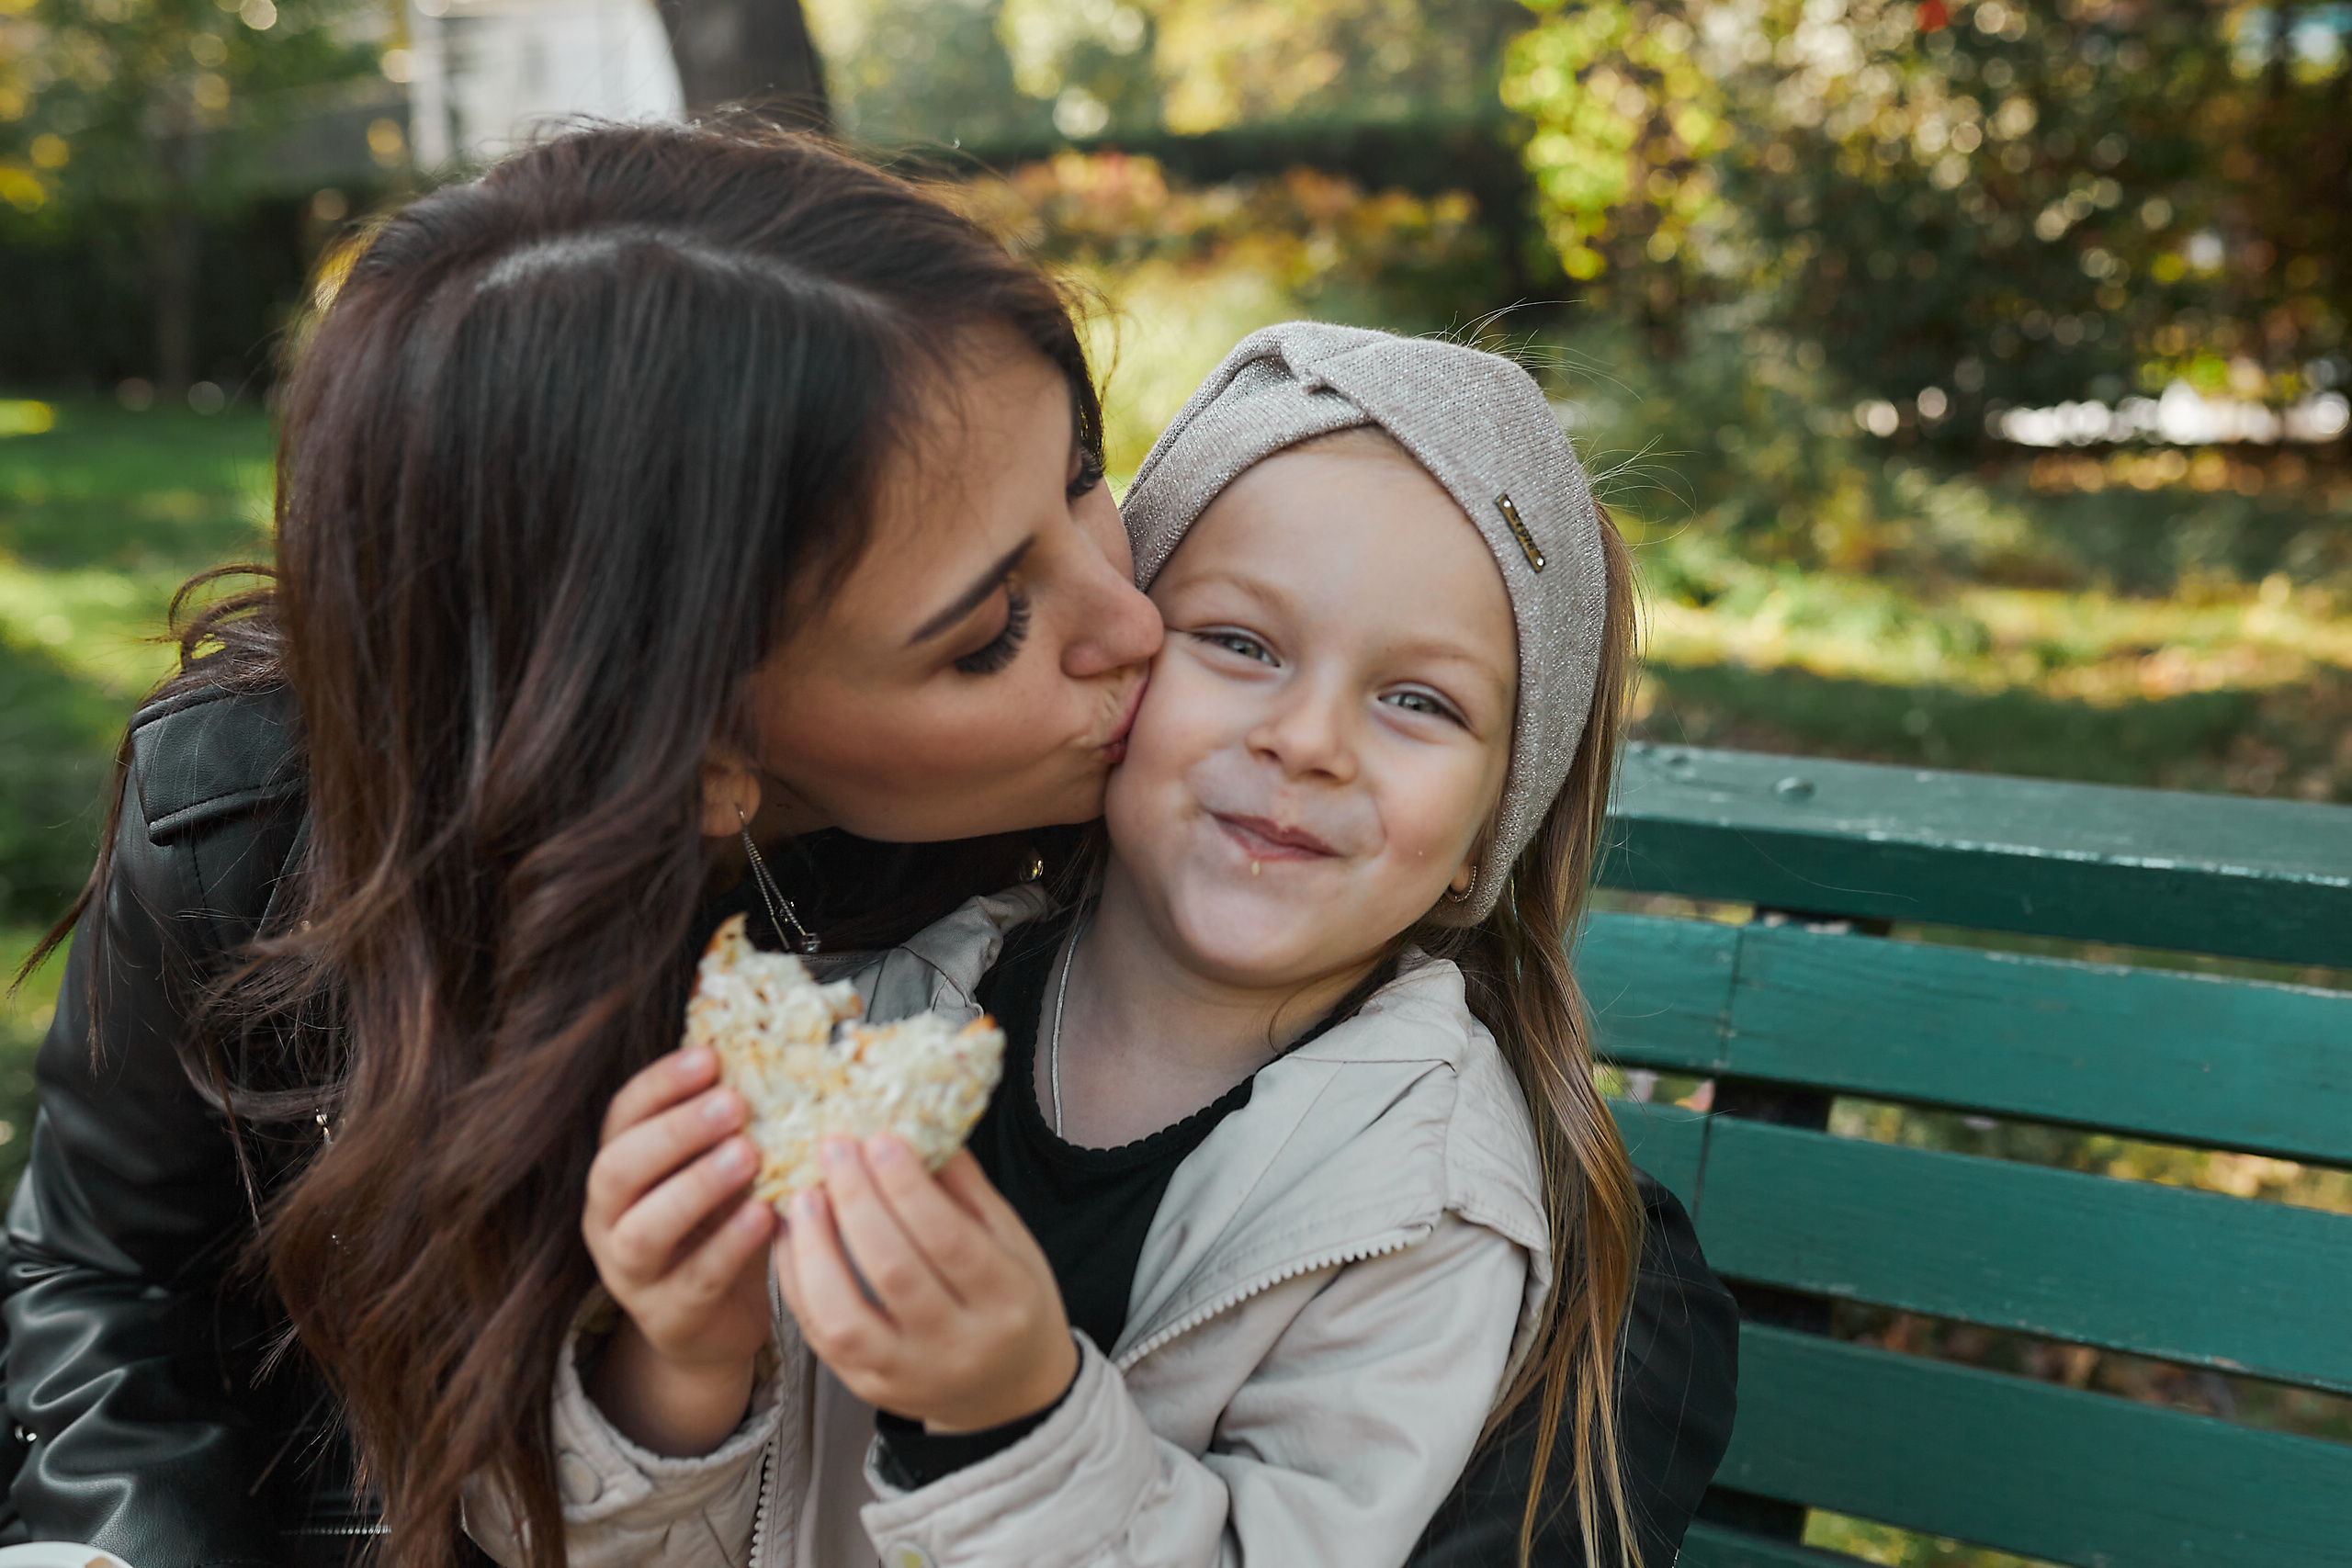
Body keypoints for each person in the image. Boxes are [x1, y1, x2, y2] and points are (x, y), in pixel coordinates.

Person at [0, 128, 1732, 1568]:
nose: (1132, 624)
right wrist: (671, 1366)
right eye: (986, 632)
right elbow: (101, 1283)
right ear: (704, 753)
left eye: (1083, 479)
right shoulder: (259, 822)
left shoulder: (1271, 1056)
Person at [500, 321, 1726, 1568]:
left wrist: (1011, 1420)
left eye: (1420, 702)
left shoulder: (1425, 1216)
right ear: (1122, 677)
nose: (1308, 741)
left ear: (1487, 834)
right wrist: (679, 1369)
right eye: (1241, 644)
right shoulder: (870, 1015)